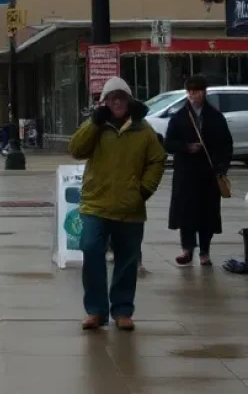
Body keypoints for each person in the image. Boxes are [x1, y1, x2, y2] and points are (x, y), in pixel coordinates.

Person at [69, 76, 164, 332]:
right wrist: (94, 123)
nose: (117, 102)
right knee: (91, 249)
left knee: (127, 261)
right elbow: (76, 149)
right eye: (112, 98)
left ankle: (122, 311)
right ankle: (96, 311)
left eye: (121, 97)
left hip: (130, 208)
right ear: (105, 102)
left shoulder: (143, 130)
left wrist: (144, 190)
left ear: (129, 100)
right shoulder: (97, 126)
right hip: (96, 205)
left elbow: (157, 160)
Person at [164, 75, 232, 268]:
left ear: (204, 92)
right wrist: (186, 147)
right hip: (186, 173)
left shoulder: (215, 116)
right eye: (191, 91)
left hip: (209, 173)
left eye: (198, 91)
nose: (194, 95)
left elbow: (226, 144)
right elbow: (168, 143)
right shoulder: (179, 116)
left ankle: (204, 251)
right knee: (186, 212)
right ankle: (187, 249)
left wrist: (222, 166)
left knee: (207, 213)